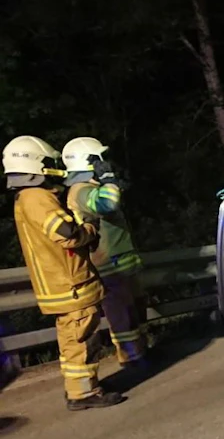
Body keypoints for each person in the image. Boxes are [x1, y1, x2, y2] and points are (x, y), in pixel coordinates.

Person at [2, 135, 123, 410]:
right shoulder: (36, 198)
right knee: (82, 340)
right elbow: (66, 233)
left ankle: (82, 388)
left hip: (65, 284)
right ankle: (84, 394)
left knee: (74, 341)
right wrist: (89, 229)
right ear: (35, 165)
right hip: (70, 284)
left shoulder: (29, 197)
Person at [62, 137, 148, 370]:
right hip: (109, 265)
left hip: (122, 263)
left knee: (134, 311)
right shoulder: (80, 191)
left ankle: (141, 351)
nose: (105, 163)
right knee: (121, 316)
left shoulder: (92, 187)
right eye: (100, 158)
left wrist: (111, 182)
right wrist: (109, 180)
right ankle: (131, 359)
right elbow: (106, 205)